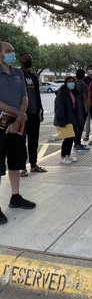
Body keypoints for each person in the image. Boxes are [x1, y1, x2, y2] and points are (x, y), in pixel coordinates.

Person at [0, 41, 36, 224]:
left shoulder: (17, 73)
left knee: (15, 162)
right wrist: (18, 114)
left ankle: (15, 197)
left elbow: (25, 97)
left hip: (17, 122)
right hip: (1, 123)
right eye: (8, 51)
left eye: (13, 51)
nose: (11, 54)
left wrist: (19, 118)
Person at [19, 52, 47, 176]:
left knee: (33, 141)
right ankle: (22, 167)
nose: (29, 60)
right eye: (26, 58)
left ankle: (34, 165)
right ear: (21, 60)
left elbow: (37, 95)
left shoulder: (33, 77)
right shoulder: (17, 75)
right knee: (21, 142)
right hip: (21, 115)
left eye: (30, 58)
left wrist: (40, 110)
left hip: (34, 114)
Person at [54, 76, 84, 164]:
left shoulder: (74, 92)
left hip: (73, 119)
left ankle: (68, 155)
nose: (71, 83)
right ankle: (63, 156)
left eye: (72, 81)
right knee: (67, 138)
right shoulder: (62, 93)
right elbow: (59, 108)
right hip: (65, 120)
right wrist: (61, 121)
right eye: (69, 81)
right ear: (66, 83)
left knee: (71, 138)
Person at [74, 69, 90, 152]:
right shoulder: (83, 85)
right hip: (81, 109)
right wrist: (86, 109)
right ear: (83, 76)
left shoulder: (72, 83)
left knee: (74, 127)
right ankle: (77, 144)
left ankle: (75, 143)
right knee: (80, 127)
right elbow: (85, 98)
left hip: (72, 109)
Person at [82, 65, 92, 141]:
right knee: (88, 119)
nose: (91, 70)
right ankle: (87, 134)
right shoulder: (85, 79)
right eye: (90, 69)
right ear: (87, 71)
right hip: (88, 103)